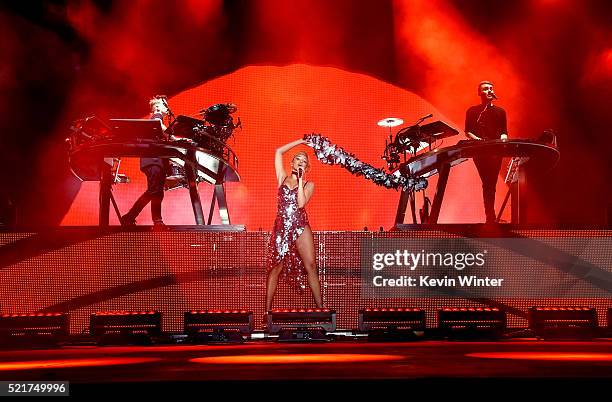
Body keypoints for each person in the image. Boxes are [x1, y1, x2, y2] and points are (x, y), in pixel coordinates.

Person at [265, 139, 324, 315]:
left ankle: (321, 310)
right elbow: (278, 151)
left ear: (306, 168)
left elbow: (300, 203)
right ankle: (267, 312)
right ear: (291, 163)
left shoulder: (309, 184)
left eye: (304, 161)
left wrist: (300, 180)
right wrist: (302, 142)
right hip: (282, 226)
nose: (300, 162)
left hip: (300, 225)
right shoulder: (282, 177)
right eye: (298, 159)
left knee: (311, 265)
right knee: (276, 267)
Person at [120, 97, 169, 228]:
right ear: (158, 108)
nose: (167, 108)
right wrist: (174, 137)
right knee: (156, 192)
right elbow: (159, 123)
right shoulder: (156, 116)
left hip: (154, 160)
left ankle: (129, 217)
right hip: (153, 160)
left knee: (154, 191)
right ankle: (157, 221)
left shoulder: (155, 120)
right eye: (165, 106)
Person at [465, 81, 508, 223]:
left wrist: (502, 140)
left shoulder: (501, 111)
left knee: (492, 183)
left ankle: (490, 216)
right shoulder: (472, 111)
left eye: (491, 88)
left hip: (496, 151)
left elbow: (504, 132)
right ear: (479, 93)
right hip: (480, 151)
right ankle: (490, 215)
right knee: (487, 182)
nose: (489, 91)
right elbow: (468, 132)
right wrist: (479, 140)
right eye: (485, 89)